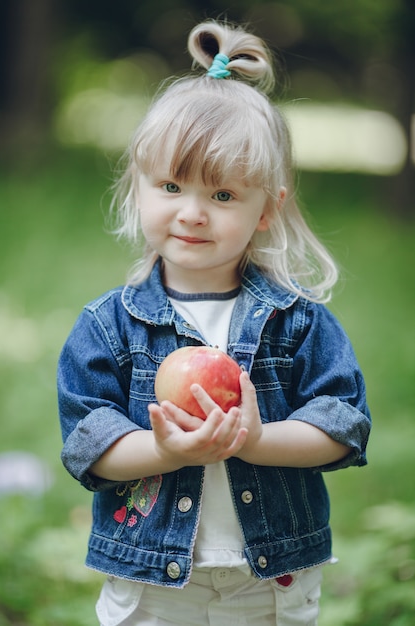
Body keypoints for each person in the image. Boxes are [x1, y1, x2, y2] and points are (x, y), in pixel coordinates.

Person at [58, 19, 371, 626]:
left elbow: (342, 426)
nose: (193, 214)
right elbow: (89, 446)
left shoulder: (297, 321)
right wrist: (164, 450)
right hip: (152, 579)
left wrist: (255, 441)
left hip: (271, 576)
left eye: (223, 196)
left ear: (266, 209)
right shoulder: (108, 326)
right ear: (139, 188)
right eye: (171, 186)